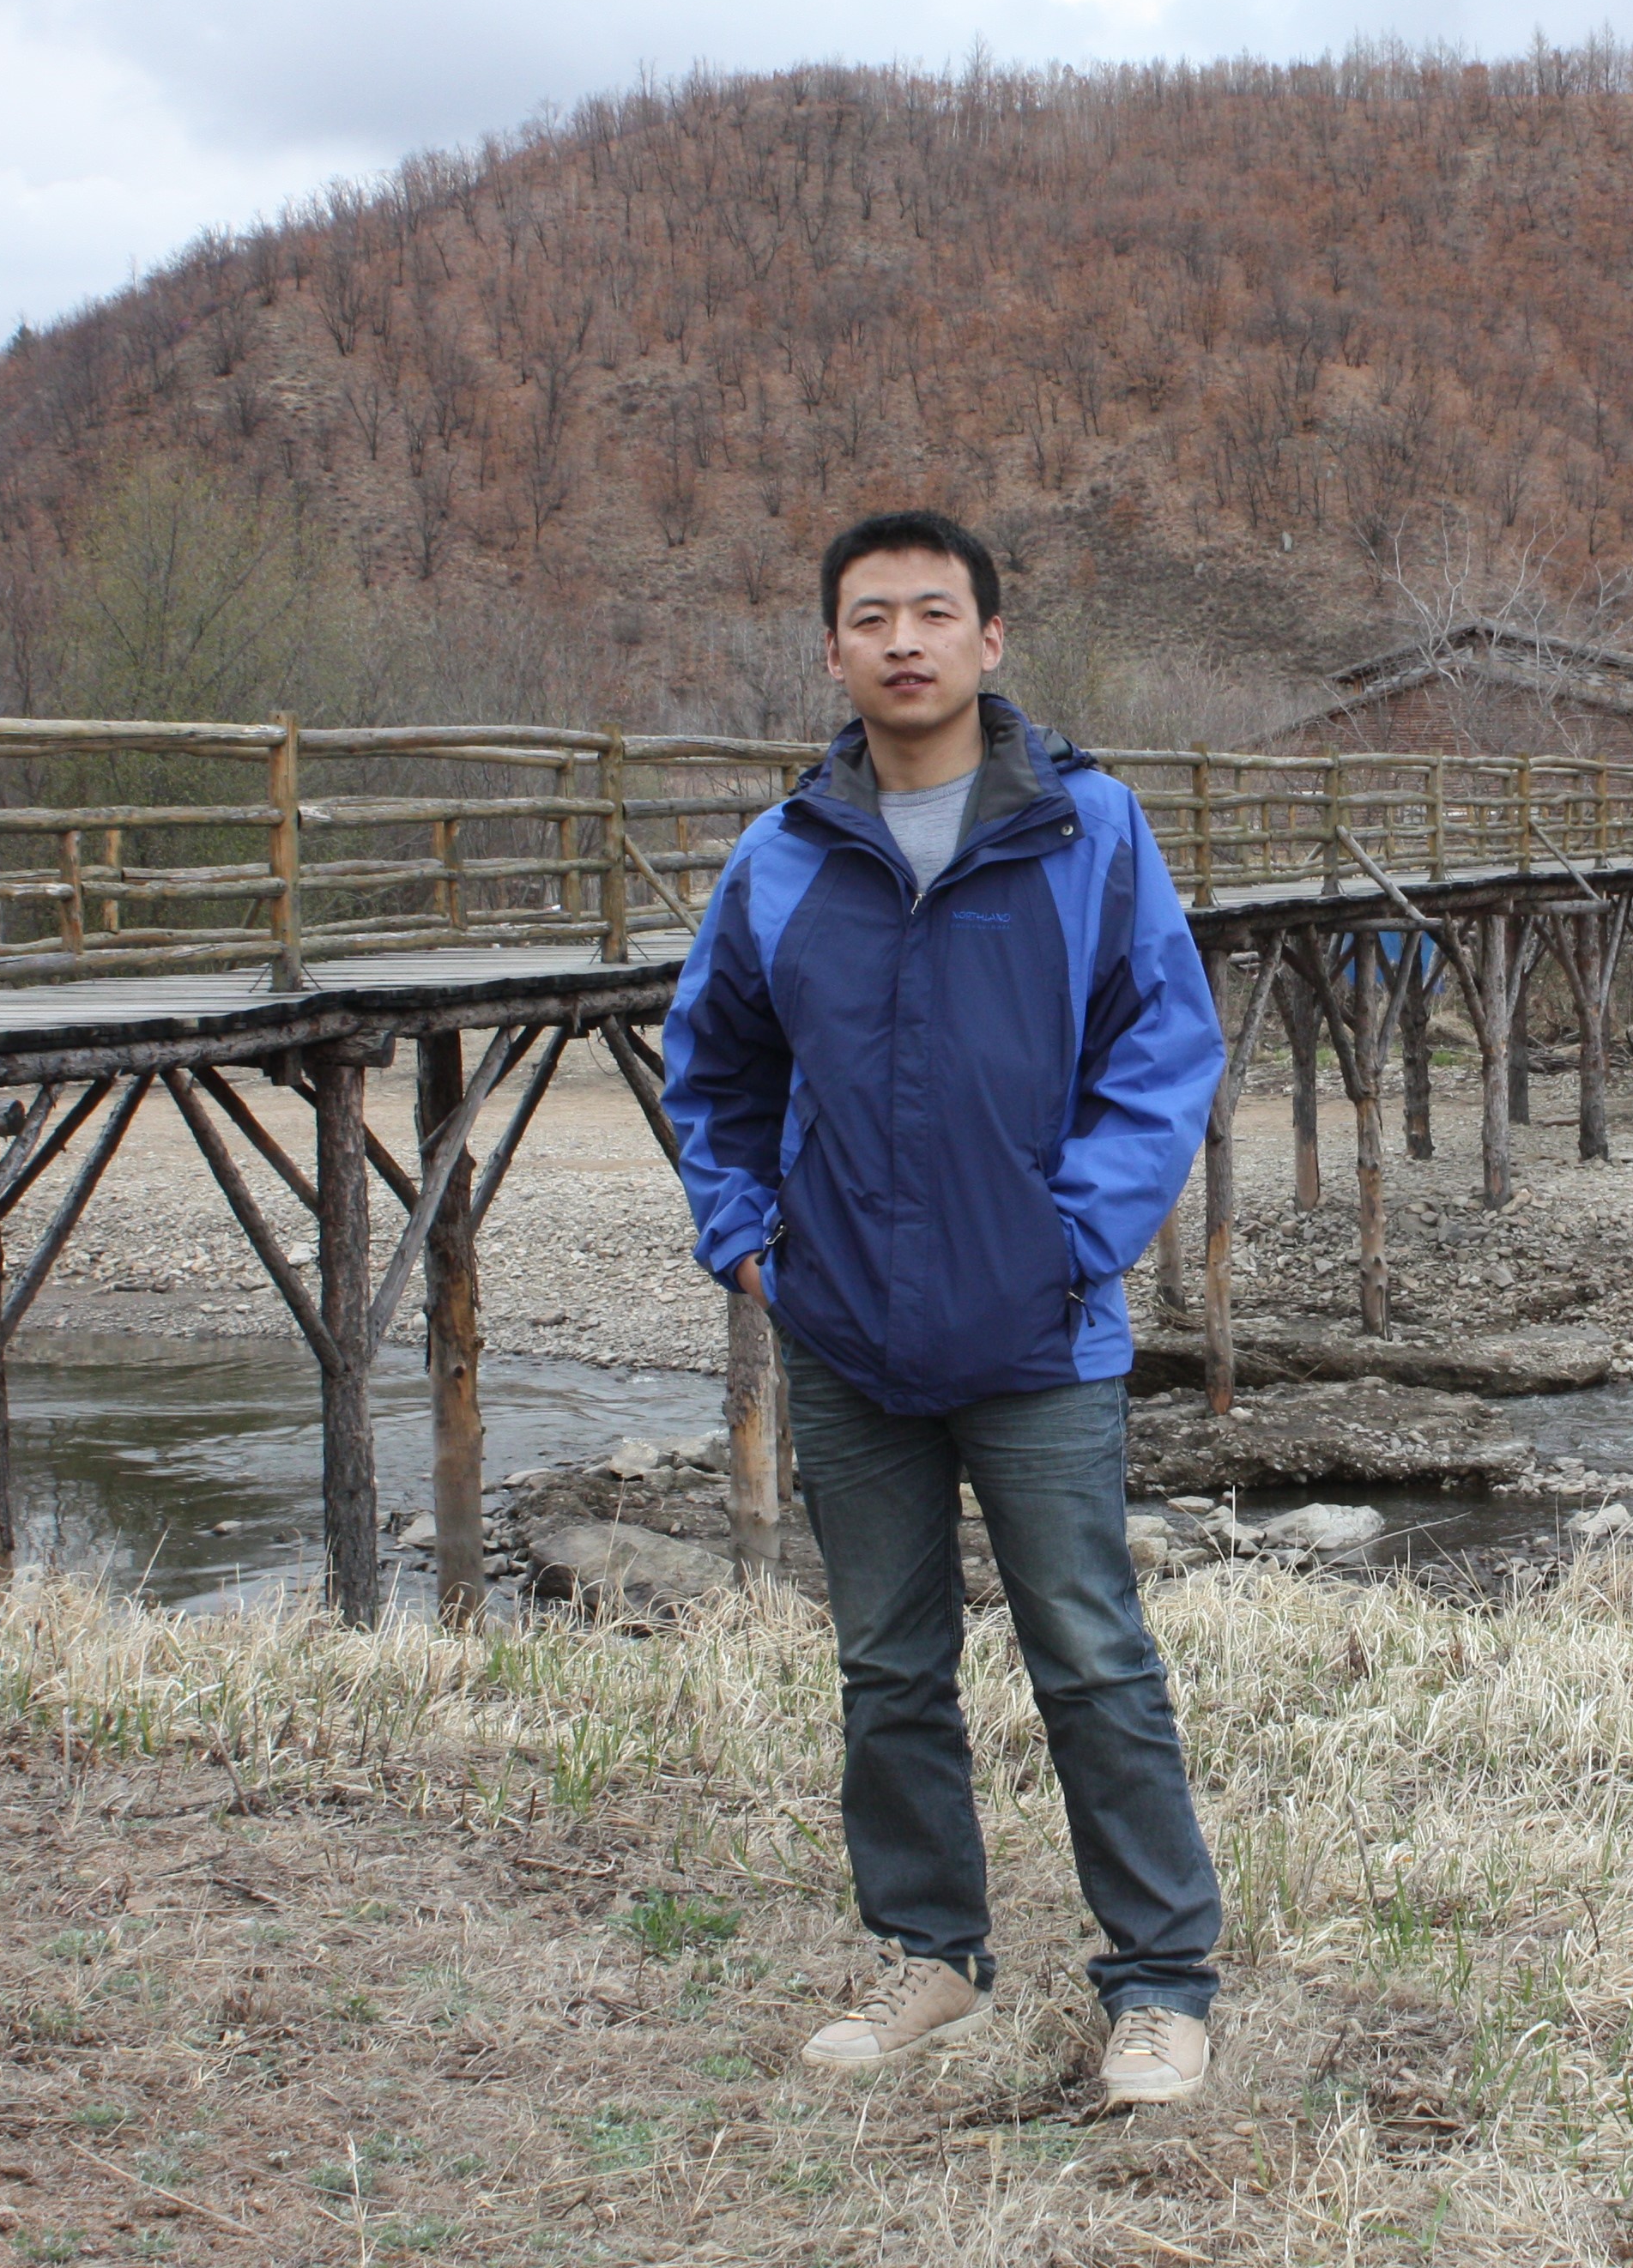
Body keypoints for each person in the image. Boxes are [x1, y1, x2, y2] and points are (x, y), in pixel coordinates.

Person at [658, 508, 1228, 2108]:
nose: (902, 642)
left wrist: (1076, 1239)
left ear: (989, 640)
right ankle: (931, 1957)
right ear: (832, 652)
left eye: (931, 612)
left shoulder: (1087, 829)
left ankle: (1161, 1982)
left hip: (1040, 1330)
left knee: (1091, 1656)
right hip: (846, 1330)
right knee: (887, 1667)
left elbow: (1164, 1047)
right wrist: (750, 1242)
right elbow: (712, 1065)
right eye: (870, 617)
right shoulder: (783, 857)